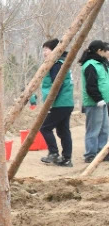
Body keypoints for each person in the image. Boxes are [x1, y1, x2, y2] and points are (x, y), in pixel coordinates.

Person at [34, 38, 75, 167]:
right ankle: (66, 159)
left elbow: (58, 85)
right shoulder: (61, 63)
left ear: (55, 50)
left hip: (60, 103)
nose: (44, 52)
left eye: (47, 49)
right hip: (66, 102)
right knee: (63, 131)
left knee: (45, 127)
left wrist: (51, 101)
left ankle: (54, 153)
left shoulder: (57, 64)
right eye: (43, 50)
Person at [81, 39, 109, 164]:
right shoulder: (90, 65)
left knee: (104, 128)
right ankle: (90, 154)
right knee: (93, 129)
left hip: (104, 101)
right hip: (94, 103)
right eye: (104, 50)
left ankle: (101, 152)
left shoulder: (101, 64)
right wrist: (98, 99)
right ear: (99, 51)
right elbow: (90, 85)